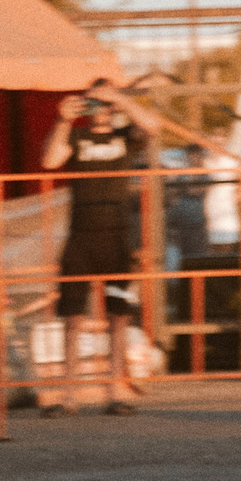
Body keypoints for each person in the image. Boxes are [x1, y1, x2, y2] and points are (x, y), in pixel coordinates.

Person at [40, 80, 153, 414]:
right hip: (81, 237)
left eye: (105, 103)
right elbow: (50, 160)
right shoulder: (77, 137)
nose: (100, 108)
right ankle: (68, 395)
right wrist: (63, 119)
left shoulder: (125, 137)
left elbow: (153, 127)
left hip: (117, 238)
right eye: (94, 102)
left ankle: (114, 392)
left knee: (119, 315)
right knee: (72, 317)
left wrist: (120, 99)